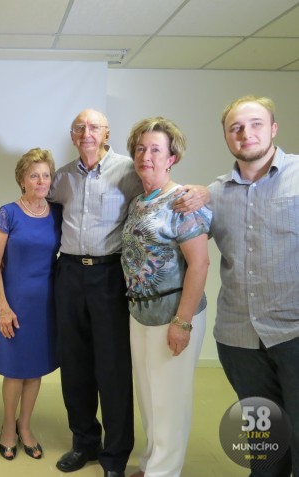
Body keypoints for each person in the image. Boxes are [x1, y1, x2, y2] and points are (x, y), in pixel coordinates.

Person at [49, 108, 208, 477]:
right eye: (79, 127)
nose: (86, 132)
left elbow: (172, 195)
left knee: (113, 369)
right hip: (70, 273)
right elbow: (36, 204)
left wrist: (204, 192)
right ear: (73, 136)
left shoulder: (130, 171)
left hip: (110, 276)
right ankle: (84, 442)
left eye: (94, 127)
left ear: (106, 133)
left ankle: (116, 455)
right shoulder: (61, 178)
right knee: (75, 366)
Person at [210, 95, 299, 477]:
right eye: (236, 127)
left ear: (274, 129)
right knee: (263, 439)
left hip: (294, 332)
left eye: (256, 124)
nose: (246, 133)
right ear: (228, 137)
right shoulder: (213, 193)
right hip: (238, 337)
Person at [122, 117, 211, 477]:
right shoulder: (139, 201)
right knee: (148, 397)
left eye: (155, 149)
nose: (147, 155)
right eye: (141, 148)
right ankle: (151, 463)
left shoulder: (182, 201)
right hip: (139, 312)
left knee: (170, 401)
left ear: (171, 157)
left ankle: (164, 472)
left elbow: (200, 264)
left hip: (174, 312)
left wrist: (182, 321)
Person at [0, 148, 61, 461]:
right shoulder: (8, 213)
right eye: (34, 175)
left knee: (35, 371)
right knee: (15, 371)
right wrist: (3, 306)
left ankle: (25, 426)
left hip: (45, 304)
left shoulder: (57, 212)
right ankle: (7, 427)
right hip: (14, 303)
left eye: (46, 175)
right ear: (22, 179)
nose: (41, 181)